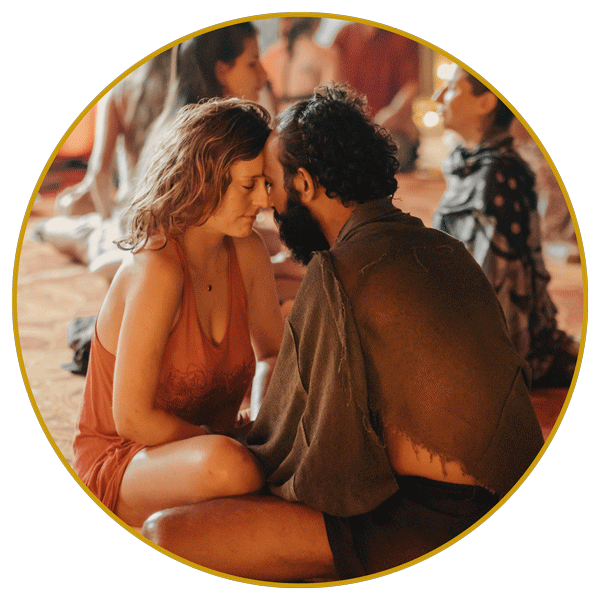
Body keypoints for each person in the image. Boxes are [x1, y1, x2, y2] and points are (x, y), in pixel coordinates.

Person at [141, 84, 544, 582]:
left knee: (165, 533)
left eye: (271, 183)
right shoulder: (446, 248)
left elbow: (310, 465)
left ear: (304, 184)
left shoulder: (338, 271)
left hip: (430, 523)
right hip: (519, 498)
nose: (267, 202)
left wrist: (223, 442)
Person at [72, 97, 283, 529]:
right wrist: (229, 442)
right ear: (204, 180)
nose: (265, 199)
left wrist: (265, 429)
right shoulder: (158, 270)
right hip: (128, 458)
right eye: (249, 185)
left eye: (266, 183)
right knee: (230, 467)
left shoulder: (248, 251)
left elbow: (273, 355)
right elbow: (132, 420)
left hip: (217, 448)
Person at [36, 22, 268, 281]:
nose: (263, 76)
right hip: (130, 230)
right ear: (221, 70)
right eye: (252, 63)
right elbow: (102, 178)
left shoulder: (218, 121)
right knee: (88, 232)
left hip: (130, 216)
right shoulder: (188, 134)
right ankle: (55, 229)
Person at [432, 64, 579, 388]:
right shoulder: (469, 163)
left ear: (486, 102)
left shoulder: (498, 175)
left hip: (498, 344)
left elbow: (500, 289)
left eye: (452, 88)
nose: (438, 96)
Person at [332, 21, 420, 172]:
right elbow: (335, 84)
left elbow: (411, 86)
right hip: (352, 132)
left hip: (390, 132)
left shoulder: (404, 37)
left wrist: (389, 114)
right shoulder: (345, 35)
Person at [261, 17, 340, 113]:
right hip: (308, 116)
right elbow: (329, 100)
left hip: (279, 117)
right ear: (317, 22)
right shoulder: (326, 55)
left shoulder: (269, 55)